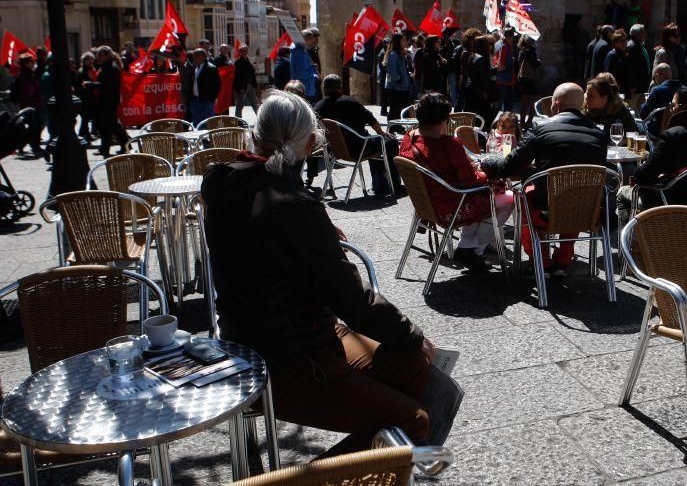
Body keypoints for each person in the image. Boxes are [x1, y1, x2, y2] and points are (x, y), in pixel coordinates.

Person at [202, 90, 434, 456]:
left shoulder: (223, 184)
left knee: (415, 367)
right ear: (310, 144)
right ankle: (336, 475)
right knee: (414, 419)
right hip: (289, 356)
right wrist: (411, 332)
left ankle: (384, 449)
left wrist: (312, 231)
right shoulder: (291, 206)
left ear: (254, 135)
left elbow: (267, 242)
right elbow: (351, 299)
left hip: (251, 337)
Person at [481, 83, 609, 276]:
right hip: (588, 213)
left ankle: (541, 261)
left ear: (555, 104)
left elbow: (509, 167)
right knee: (576, 193)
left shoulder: (541, 128)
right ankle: (563, 259)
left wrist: (487, 162)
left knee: (524, 196)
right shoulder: (599, 135)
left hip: (547, 210)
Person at [399, 93, 515, 271]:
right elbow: (471, 180)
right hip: (450, 205)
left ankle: (468, 246)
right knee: (509, 199)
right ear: (444, 119)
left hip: (427, 203)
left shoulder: (409, 139)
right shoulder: (448, 144)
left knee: (483, 193)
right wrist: (487, 172)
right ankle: (474, 249)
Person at [616, 86, 687, 226]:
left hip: (669, 198)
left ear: (683, 107)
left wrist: (640, 172)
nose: (671, 109)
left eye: (673, 105)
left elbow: (644, 174)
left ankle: (630, 244)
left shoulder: (673, 135)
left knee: (622, 192)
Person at [314, 74, 402, 197]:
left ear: (324, 88)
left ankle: (380, 183)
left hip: (336, 151)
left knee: (376, 143)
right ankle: (394, 185)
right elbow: (370, 119)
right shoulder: (351, 102)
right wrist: (382, 133)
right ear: (340, 87)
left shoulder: (318, 107)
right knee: (390, 142)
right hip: (360, 147)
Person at [95, 46, 129, 157]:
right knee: (113, 124)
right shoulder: (106, 67)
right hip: (106, 100)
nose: (98, 57)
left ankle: (105, 149)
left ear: (107, 55)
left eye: (100, 55)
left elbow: (107, 86)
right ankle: (125, 144)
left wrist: (92, 85)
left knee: (107, 126)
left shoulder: (111, 68)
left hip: (109, 101)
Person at [9, 53, 45, 156]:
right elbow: (26, 91)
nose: (33, 63)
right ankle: (28, 146)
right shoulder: (24, 75)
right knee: (33, 126)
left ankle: (31, 146)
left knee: (35, 125)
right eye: (31, 61)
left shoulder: (30, 73)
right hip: (28, 105)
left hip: (34, 103)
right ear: (26, 63)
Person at [640, 64, 681, 136]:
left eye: (654, 78)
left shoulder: (657, 90)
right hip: (678, 130)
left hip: (658, 132)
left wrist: (646, 102)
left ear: (658, 74)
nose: (654, 81)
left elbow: (643, 114)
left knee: (637, 126)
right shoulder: (682, 88)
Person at [465, 35, 496, 129]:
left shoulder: (472, 56)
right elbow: (484, 76)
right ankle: (480, 139)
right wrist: (485, 92)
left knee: (473, 117)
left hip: (472, 90)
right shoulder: (481, 59)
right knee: (481, 118)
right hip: (479, 92)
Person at [186, 47, 221, 125]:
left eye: (196, 56)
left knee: (207, 124)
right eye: (194, 56)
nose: (194, 58)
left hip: (207, 101)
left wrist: (212, 99)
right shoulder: (194, 67)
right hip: (195, 101)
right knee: (197, 124)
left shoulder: (211, 68)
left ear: (203, 57)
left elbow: (217, 85)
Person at [385, 32, 415, 122]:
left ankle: (399, 126)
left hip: (403, 87)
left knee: (401, 109)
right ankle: (393, 127)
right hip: (395, 87)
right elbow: (392, 70)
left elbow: (402, 68)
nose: (405, 42)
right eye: (403, 40)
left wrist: (407, 74)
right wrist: (399, 79)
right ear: (398, 41)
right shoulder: (393, 54)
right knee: (394, 109)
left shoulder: (401, 54)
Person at [516, 35, 542, 131]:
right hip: (530, 80)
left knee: (524, 101)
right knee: (533, 101)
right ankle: (529, 121)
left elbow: (519, 63)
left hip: (523, 79)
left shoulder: (521, 51)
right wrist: (539, 61)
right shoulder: (530, 51)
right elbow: (534, 64)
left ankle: (522, 122)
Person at [625, 24, 651, 110]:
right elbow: (629, 68)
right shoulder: (632, 47)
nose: (645, 34)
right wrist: (632, 85)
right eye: (643, 32)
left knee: (641, 111)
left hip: (641, 87)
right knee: (630, 109)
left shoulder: (639, 45)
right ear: (636, 34)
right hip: (635, 88)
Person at [493, 28, 518, 112]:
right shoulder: (504, 46)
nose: (513, 39)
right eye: (512, 37)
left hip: (505, 80)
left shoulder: (501, 44)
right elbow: (501, 65)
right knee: (500, 106)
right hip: (504, 80)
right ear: (509, 37)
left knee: (506, 105)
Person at [76, 51, 98, 141]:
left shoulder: (91, 70)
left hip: (91, 97)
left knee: (88, 117)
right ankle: (83, 133)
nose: (90, 61)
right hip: (85, 98)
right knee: (86, 117)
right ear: (84, 61)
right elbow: (80, 85)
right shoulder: (82, 71)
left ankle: (85, 133)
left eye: (91, 59)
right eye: (88, 60)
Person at [233, 44, 259, 119]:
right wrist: (240, 87)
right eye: (242, 50)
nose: (244, 52)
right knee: (240, 105)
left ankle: (260, 119)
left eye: (246, 50)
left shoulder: (249, 60)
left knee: (254, 103)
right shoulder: (238, 62)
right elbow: (237, 76)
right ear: (240, 52)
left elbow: (251, 74)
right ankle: (238, 121)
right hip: (242, 87)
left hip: (250, 85)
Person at [603, 30, 630, 98]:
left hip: (625, 91)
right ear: (615, 43)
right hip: (616, 91)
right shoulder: (612, 55)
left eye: (625, 40)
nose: (625, 42)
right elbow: (608, 75)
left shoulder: (624, 54)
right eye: (622, 41)